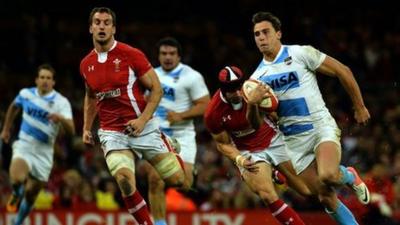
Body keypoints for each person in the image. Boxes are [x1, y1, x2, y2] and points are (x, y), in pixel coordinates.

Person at [249, 11, 371, 225]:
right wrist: (253, 104)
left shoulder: (300, 53)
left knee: (329, 176)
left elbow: (343, 70)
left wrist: (359, 106)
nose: (261, 37)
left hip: (319, 127)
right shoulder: (255, 80)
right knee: (324, 196)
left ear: (278, 34)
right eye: (257, 34)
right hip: (293, 141)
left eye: (265, 32)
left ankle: (349, 175)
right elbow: (256, 125)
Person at [79, 7, 185, 225]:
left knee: (177, 180)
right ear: (90, 28)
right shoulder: (85, 64)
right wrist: (86, 128)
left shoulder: (131, 54)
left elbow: (157, 89)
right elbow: (90, 97)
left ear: (114, 28)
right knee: (124, 180)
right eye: (97, 22)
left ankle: (170, 145)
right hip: (111, 132)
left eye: (107, 22)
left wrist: (142, 120)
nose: (101, 26)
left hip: (143, 127)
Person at [204, 66, 310, 225]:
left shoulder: (256, 88)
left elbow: (258, 123)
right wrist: (239, 159)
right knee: (267, 195)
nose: (239, 93)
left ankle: (273, 172)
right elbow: (222, 143)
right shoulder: (213, 113)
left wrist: (254, 104)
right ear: (223, 90)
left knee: (306, 191)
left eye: (239, 87)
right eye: (233, 90)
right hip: (247, 151)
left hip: (273, 139)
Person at [145, 37, 210, 225]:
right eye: (164, 53)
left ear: (179, 56)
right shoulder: (150, 75)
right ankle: (159, 223)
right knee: (155, 179)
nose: (167, 57)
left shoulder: (191, 76)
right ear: (158, 56)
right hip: (157, 136)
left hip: (182, 135)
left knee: (183, 184)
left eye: (172, 53)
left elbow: (206, 105)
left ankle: (192, 175)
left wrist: (181, 115)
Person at [0, 64, 75, 225]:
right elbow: (13, 107)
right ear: (36, 80)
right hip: (25, 145)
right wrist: (6, 129)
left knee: (31, 193)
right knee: (17, 178)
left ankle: (18, 221)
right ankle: (16, 191)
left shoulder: (61, 102)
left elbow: (71, 131)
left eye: (48, 78)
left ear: (53, 82)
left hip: (45, 152)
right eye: (42, 77)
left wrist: (60, 119)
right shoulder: (26, 94)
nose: (45, 81)